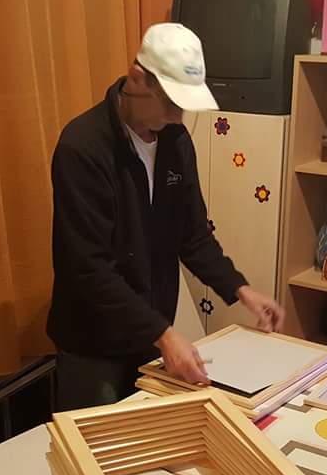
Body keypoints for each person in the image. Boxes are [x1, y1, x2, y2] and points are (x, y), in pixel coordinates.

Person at [48, 23, 283, 410]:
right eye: (172, 102)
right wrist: (165, 334)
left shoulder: (176, 141)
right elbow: (89, 269)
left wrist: (240, 289)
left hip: (148, 335)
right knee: (95, 442)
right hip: (93, 345)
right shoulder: (83, 147)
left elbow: (192, 235)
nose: (178, 115)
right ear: (138, 78)